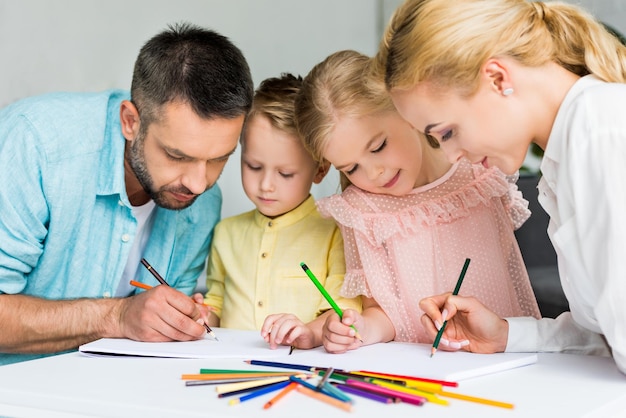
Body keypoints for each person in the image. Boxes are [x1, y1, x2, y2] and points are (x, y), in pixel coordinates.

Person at [378, 0, 626, 374]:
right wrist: (505, 335)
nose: (452, 154)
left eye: (446, 132)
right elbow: (611, 334)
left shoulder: (601, 130)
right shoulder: (572, 147)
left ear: (497, 78)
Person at [0, 22, 254, 365]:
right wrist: (118, 317)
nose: (197, 183)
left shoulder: (203, 202)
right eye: (177, 156)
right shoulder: (35, 145)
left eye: (219, 159)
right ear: (130, 122)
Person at [294, 49, 540, 354]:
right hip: (420, 370)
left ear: (404, 110)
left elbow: (509, 274)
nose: (374, 173)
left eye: (379, 146)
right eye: (351, 168)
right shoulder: (364, 211)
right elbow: (382, 314)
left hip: (506, 353)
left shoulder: (480, 172)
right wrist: (360, 329)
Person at [203, 73, 361, 350]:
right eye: (253, 166)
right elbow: (215, 302)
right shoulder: (225, 233)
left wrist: (308, 332)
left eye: (285, 173)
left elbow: (342, 312)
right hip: (226, 365)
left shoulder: (336, 231)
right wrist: (202, 315)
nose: (265, 185)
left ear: (320, 170)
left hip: (299, 368)